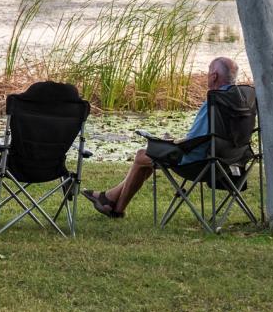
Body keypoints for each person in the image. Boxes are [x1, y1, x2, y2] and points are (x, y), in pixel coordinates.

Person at [83, 56, 238, 218]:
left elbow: (194, 139)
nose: (206, 75)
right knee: (148, 158)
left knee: (142, 155)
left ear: (214, 76)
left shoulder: (213, 101)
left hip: (198, 163)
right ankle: (110, 198)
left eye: (208, 71)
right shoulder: (238, 100)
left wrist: (173, 142)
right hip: (227, 162)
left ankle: (116, 208)